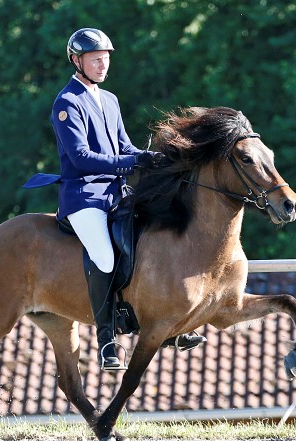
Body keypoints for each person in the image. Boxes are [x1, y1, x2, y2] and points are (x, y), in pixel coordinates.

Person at [51, 28, 206, 371]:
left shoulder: (110, 100)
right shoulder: (67, 103)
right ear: (77, 61)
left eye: (106, 58)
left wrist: (154, 158)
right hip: (84, 197)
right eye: (95, 58)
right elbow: (81, 158)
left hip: (115, 193)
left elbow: (125, 148)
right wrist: (131, 162)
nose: (102, 63)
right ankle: (107, 340)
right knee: (105, 257)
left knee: (153, 238)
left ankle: (167, 329)